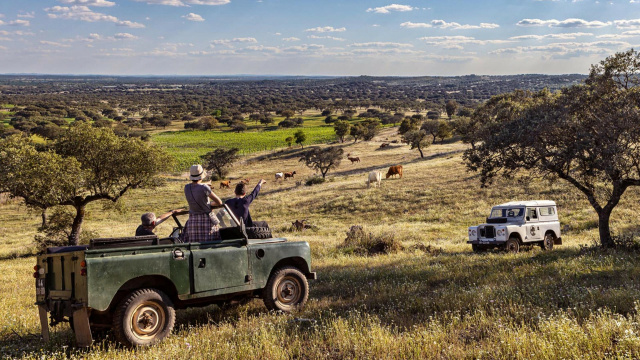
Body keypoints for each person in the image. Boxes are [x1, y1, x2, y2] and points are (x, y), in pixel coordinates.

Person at [183, 164, 223, 242]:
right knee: (208, 245)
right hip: (206, 220)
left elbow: (196, 188)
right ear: (201, 176)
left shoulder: (186, 187)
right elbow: (219, 202)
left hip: (192, 221)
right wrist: (210, 204)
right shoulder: (204, 187)